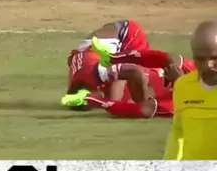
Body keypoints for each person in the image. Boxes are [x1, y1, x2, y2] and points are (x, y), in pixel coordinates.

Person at [62, 40, 194, 119]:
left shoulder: (183, 104)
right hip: (116, 75)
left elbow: (145, 109)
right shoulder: (194, 72)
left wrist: (97, 101)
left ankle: (86, 96)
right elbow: (171, 59)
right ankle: (111, 59)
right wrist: (115, 58)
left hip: (122, 88)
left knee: (134, 72)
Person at [164, 21, 217, 159]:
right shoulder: (183, 85)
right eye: (200, 59)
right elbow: (178, 131)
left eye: (214, 58)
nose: (208, 65)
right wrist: (168, 166)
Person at [66, 19, 150, 102]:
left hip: (127, 34)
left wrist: (114, 103)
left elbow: (134, 71)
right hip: (95, 42)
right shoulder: (75, 84)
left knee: (141, 75)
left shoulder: (94, 73)